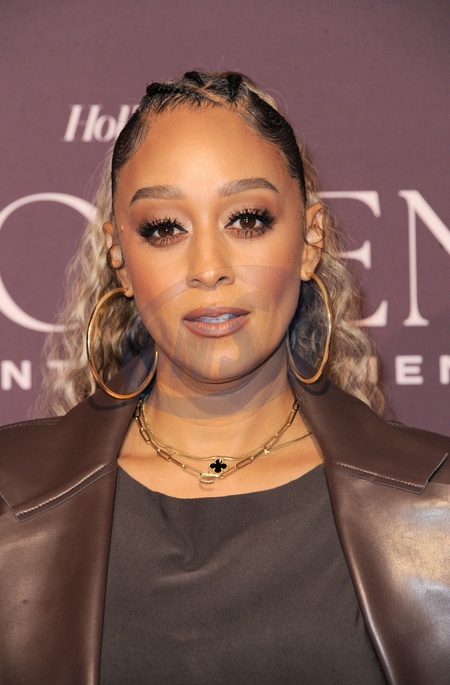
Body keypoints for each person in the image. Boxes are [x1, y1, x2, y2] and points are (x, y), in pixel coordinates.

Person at [0, 71, 448, 685]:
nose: (208, 267)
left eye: (247, 220)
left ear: (310, 239)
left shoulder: (436, 502)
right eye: (165, 228)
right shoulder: (9, 497)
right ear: (120, 258)